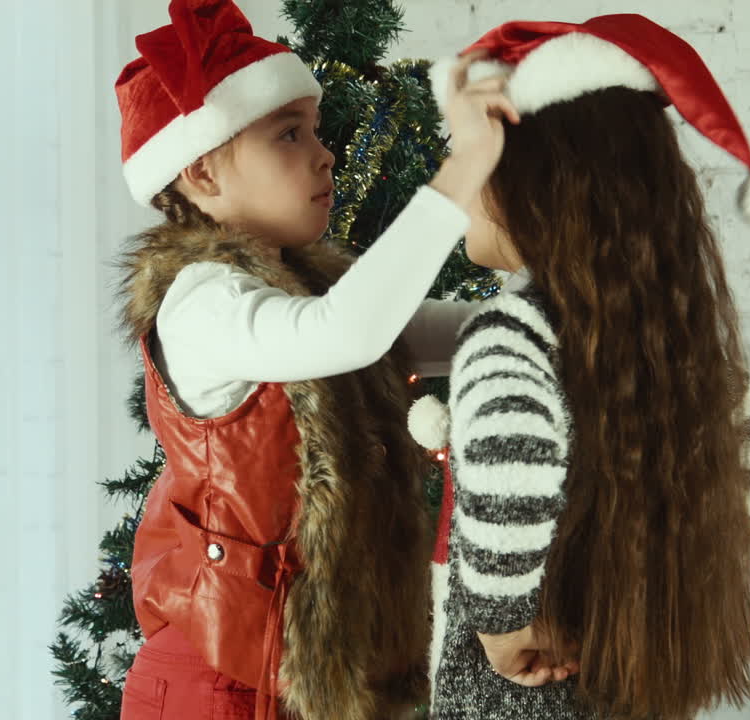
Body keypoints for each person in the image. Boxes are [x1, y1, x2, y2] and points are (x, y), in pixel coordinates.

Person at [110, 2, 519, 719]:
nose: (322, 153)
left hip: (298, 680)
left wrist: (566, 324)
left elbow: (427, 331)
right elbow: (350, 332)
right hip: (216, 684)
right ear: (202, 173)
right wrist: (461, 176)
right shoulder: (201, 302)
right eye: (288, 134)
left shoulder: (302, 292)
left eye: (316, 130)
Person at [416, 14, 750, 719]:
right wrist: (675, 575)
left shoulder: (509, 334)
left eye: (473, 160)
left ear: (531, 178)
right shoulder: (653, 337)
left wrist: (503, 626)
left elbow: (516, 448)